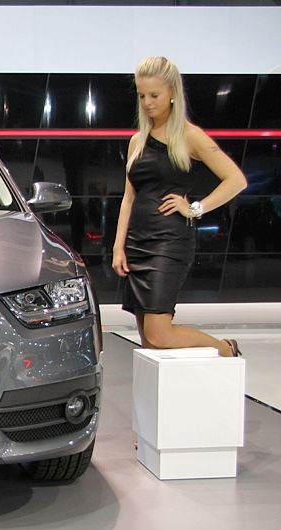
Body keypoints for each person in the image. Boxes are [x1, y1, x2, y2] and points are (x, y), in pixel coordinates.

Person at [111, 57, 248, 357]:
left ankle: (225, 349)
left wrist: (195, 208)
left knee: (159, 334)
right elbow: (128, 199)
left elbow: (236, 180)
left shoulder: (189, 135)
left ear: (172, 92)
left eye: (154, 95)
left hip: (170, 243)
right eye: (142, 95)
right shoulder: (137, 141)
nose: (147, 103)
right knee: (149, 342)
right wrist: (118, 247)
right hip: (137, 243)